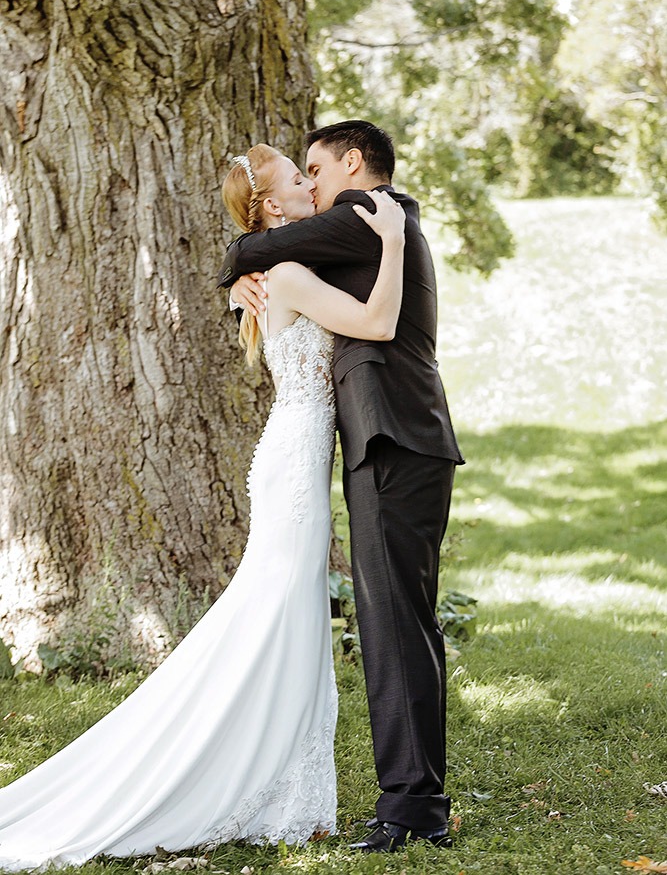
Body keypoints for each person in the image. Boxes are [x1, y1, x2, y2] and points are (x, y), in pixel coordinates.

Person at [0, 143, 405, 871]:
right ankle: (257, 781)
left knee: (289, 611)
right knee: (279, 611)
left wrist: (238, 283)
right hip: (292, 466)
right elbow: (376, 323)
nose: (313, 184)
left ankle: (285, 787)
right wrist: (396, 242)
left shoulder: (284, 269)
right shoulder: (283, 270)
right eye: (297, 180)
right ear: (273, 208)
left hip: (293, 455)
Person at [219, 120, 465, 853]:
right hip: (387, 438)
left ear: (353, 163)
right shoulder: (370, 221)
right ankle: (412, 797)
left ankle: (412, 805)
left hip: (393, 439)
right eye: (300, 176)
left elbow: (252, 249)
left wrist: (238, 260)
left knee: (393, 622)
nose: (313, 183)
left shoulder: (366, 213)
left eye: (316, 168)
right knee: (395, 621)